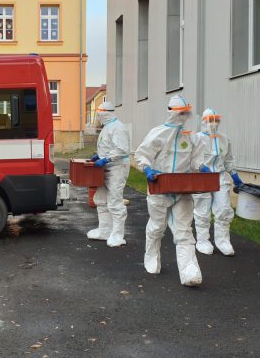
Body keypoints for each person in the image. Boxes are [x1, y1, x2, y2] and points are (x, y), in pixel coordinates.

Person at [135, 95, 207, 287]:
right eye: (180, 113)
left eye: (185, 114)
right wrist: (147, 168)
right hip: (160, 187)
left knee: (184, 231)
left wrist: (202, 168)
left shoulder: (191, 136)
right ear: (171, 113)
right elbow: (142, 155)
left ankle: (189, 273)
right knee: (157, 226)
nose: (183, 117)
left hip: (182, 190)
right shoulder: (158, 133)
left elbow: (195, 162)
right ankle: (151, 257)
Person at [192, 108, 243, 256]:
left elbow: (228, 159)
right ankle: (202, 241)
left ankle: (223, 241)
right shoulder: (196, 139)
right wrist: (200, 167)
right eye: (210, 120)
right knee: (203, 211)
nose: (214, 124)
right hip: (202, 177)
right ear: (203, 122)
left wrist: (234, 174)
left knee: (223, 209)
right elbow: (190, 159)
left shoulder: (224, 139)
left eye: (216, 120)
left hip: (220, 177)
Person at [86, 101, 131, 247]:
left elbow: (122, 150)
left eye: (100, 114)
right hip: (106, 167)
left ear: (107, 113)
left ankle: (118, 235)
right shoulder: (108, 127)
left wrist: (105, 158)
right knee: (100, 198)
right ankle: (105, 231)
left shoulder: (118, 128)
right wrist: (99, 156)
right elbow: (108, 147)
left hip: (116, 168)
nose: (98, 117)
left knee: (114, 201)